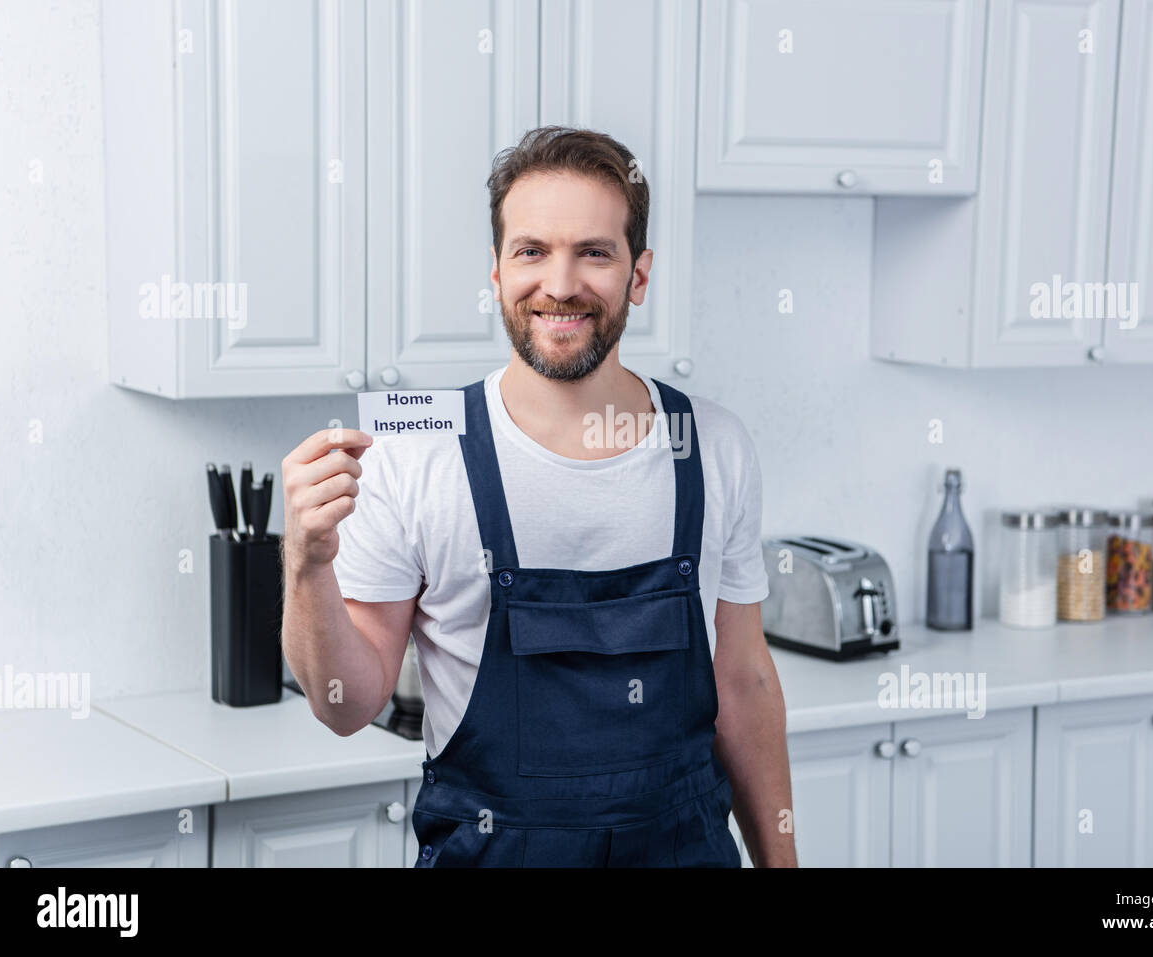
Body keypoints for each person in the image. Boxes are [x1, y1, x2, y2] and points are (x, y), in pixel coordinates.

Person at [281, 126, 795, 867]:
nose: (559, 284)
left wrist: (783, 860)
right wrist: (306, 564)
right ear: (495, 272)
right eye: (531, 251)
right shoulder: (415, 457)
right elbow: (345, 705)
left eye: (594, 251)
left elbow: (742, 682)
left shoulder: (713, 445)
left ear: (637, 275)